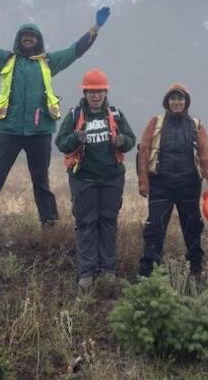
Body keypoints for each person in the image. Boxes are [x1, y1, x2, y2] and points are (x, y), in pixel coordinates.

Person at [0, 6, 110, 233]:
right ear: (19, 40)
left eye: (32, 36)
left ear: (38, 41)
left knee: (41, 180)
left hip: (40, 131)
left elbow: (75, 51)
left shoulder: (48, 62)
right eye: (25, 36)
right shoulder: (5, 60)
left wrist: (96, 28)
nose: (28, 39)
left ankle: (49, 222)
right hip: (9, 129)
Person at [55, 69, 136, 289]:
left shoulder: (116, 114)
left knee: (108, 222)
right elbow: (61, 143)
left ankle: (108, 270)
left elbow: (131, 139)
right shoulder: (74, 115)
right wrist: (75, 138)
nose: (96, 96)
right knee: (85, 223)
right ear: (85, 92)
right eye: (92, 91)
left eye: (100, 91)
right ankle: (86, 273)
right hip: (83, 178)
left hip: (112, 177)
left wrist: (121, 141)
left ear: (105, 92)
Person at [136, 84, 208, 278]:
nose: (176, 102)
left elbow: (205, 156)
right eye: (173, 99)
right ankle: (149, 275)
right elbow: (144, 152)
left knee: (193, 230)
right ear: (167, 102)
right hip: (160, 186)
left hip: (189, 187)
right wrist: (143, 181)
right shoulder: (155, 122)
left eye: (180, 99)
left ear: (186, 102)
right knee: (154, 229)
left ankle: (195, 271)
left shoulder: (196, 125)